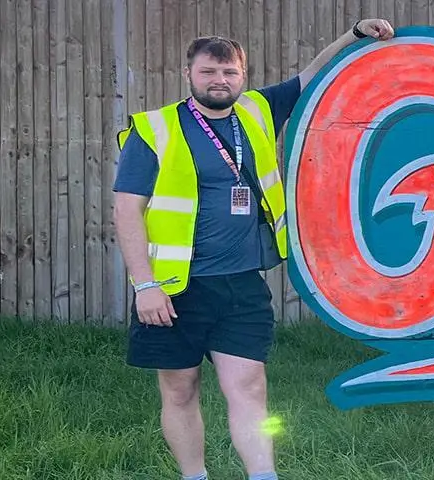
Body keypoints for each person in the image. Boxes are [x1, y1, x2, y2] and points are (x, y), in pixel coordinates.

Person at [111, 19, 397, 480]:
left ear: (242, 76)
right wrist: (145, 285)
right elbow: (127, 211)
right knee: (180, 390)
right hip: (172, 289)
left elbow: (311, 77)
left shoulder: (259, 110)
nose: (219, 81)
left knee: (248, 386)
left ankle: (264, 475)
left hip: (242, 285)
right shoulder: (154, 129)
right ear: (189, 74)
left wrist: (356, 35)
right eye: (208, 72)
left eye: (229, 73)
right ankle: (195, 475)